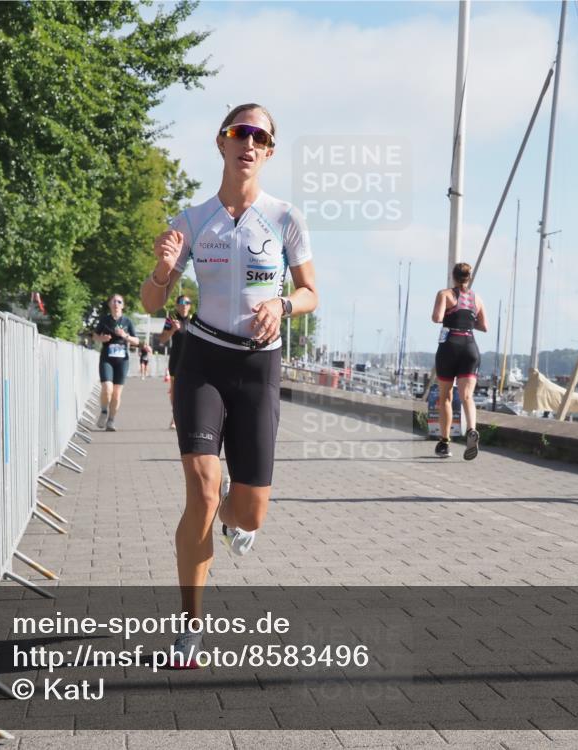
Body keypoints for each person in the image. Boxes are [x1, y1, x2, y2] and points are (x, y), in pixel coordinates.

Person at [140, 103, 318, 667]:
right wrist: (164, 270)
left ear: (268, 151)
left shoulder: (286, 217)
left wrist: (284, 305)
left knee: (249, 514)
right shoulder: (191, 220)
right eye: (240, 132)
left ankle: (231, 518)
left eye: (259, 136)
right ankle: (189, 626)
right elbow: (151, 302)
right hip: (203, 361)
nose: (248, 141)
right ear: (222, 143)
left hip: (259, 370)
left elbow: (312, 291)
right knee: (201, 486)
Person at [431, 262, 488, 460]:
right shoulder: (477, 298)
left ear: (453, 277)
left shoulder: (445, 294)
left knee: (445, 397)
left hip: (450, 346)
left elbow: (437, 318)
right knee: (467, 396)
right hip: (470, 347)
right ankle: (471, 429)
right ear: (469, 278)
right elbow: (484, 326)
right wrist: (468, 319)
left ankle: (445, 443)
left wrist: (450, 314)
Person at [93, 294, 140, 431]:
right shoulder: (105, 320)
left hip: (122, 360)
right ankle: (103, 411)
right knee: (107, 388)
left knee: (116, 394)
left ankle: (111, 421)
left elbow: (136, 341)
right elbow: (95, 335)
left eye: (119, 301)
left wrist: (124, 335)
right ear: (109, 304)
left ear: (123, 305)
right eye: (113, 301)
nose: (116, 304)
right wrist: (102, 338)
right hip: (107, 358)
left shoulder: (127, 321)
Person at [159, 295, 193, 429]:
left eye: (187, 302)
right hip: (176, 360)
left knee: (190, 391)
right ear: (177, 305)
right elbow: (162, 339)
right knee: (175, 391)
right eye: (181, 302)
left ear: (190, 306)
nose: (184, 305)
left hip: (191, 361)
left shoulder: (194, 320)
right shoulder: (171, 319)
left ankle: (188, 417)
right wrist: (172, 329)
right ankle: (175, 417)